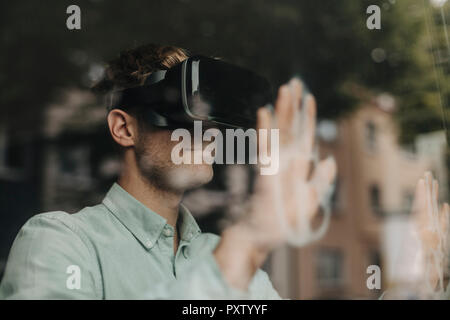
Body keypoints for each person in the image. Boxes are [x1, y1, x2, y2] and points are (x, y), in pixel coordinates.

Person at [0, 43, 336, 299]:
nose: (209, 132)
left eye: (211, 118)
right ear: (124, 128)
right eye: (185, 112)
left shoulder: (241, 269)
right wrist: (244, 246)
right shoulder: (61, 243)